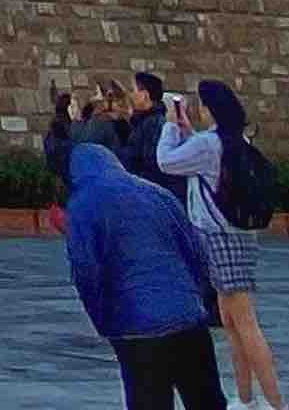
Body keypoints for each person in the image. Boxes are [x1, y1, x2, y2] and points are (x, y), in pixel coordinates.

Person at [65, 135, 223, 410]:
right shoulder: (157, 193)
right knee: (206, 400)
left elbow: (86, 271)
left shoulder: (82, 206)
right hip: (187, 317)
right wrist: (196, 296)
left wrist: (103, 319)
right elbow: (195, 249)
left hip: (135, 327)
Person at [155, 79, 281, 410]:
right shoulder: (229, 140)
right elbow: (205, 159)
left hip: (220, 238)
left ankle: (277, 405)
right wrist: (188, 132)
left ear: (210, 108)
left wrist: (171, 125)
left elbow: (166, 161)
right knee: (232, 323)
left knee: (245, 324)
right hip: (236, 236)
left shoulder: (210, 144)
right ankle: (246, 399)